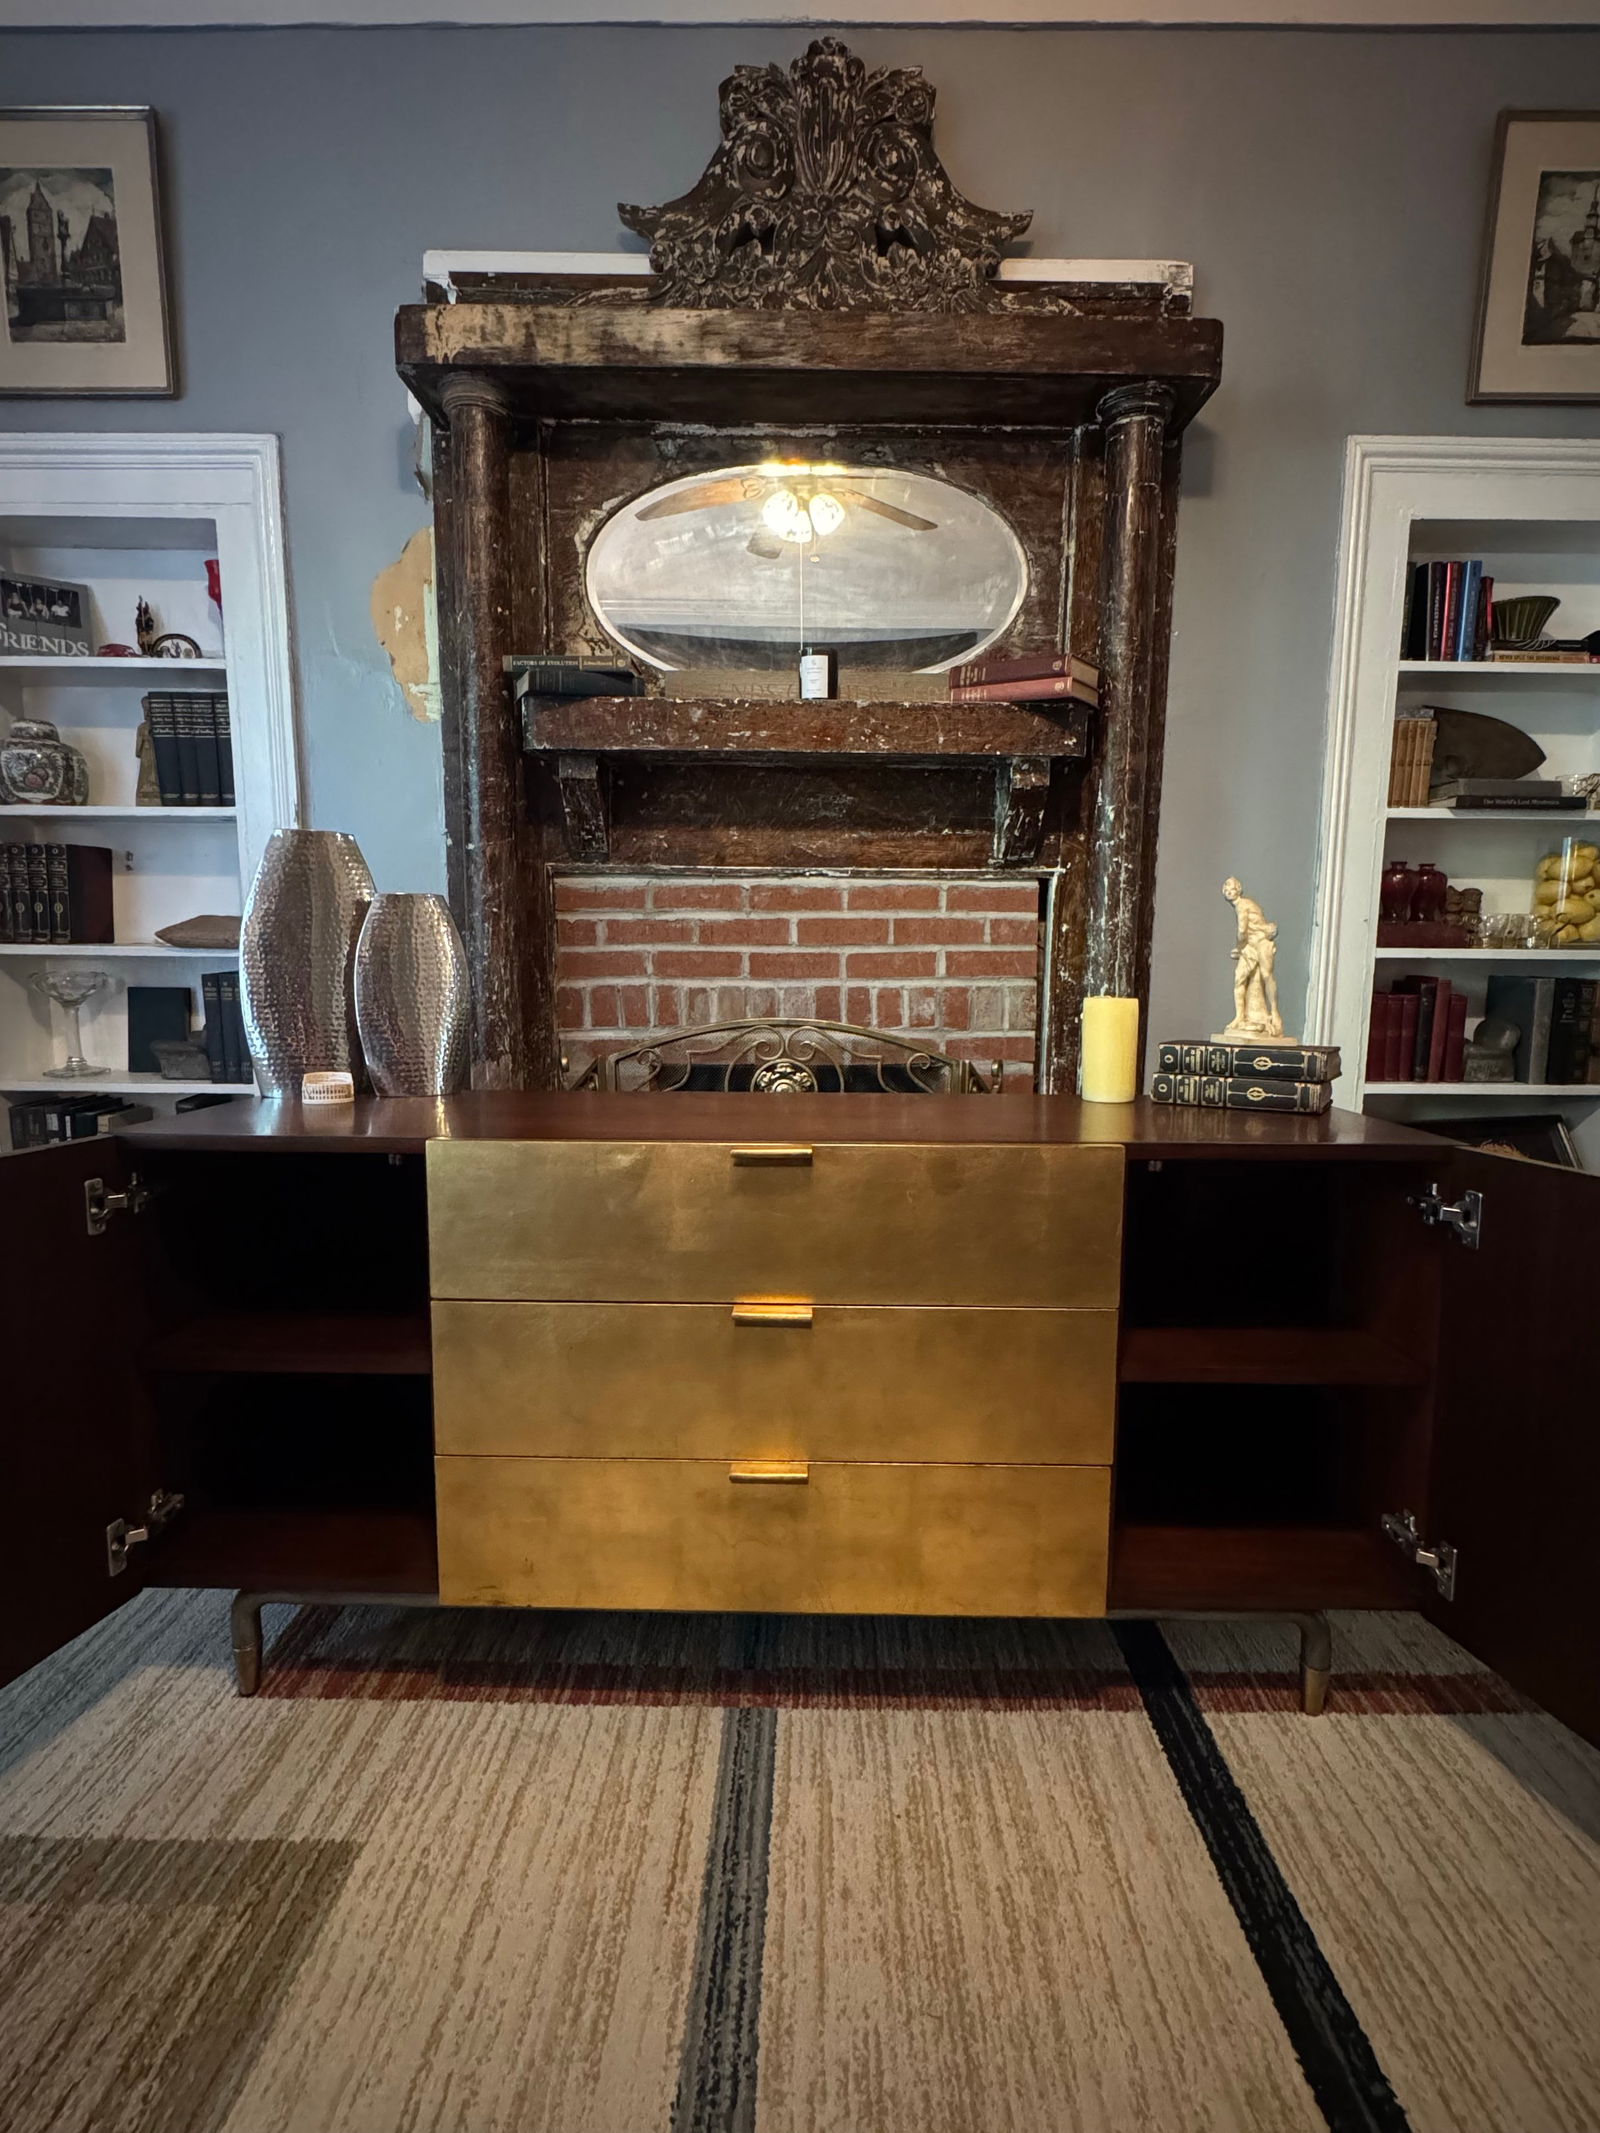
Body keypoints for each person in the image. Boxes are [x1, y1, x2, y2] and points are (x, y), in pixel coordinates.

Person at [1222, 876, 1284, 1038]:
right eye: (1226, 889)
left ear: (1239, 890)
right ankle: (1240, 1017)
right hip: (1252, 945)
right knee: (1240, 978)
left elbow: (1242, 931)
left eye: (1232, 889)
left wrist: (1238, 948)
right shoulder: (1244, 904)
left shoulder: (1242, 905)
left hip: (1260, 943)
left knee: (1266, 975)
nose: (1229, 892)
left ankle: (1275, 1013)